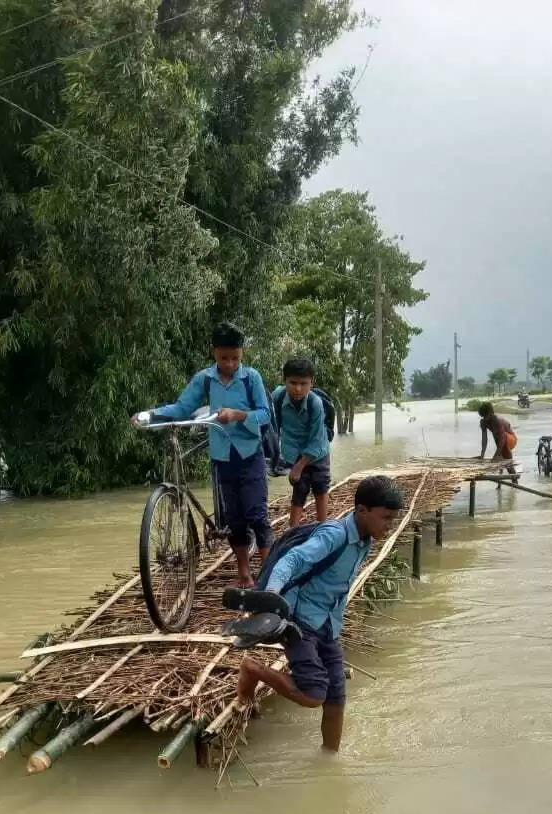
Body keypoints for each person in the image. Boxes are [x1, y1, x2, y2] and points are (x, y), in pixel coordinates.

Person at [235, 475, 404, 751]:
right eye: (386, 518)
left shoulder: (365, 541)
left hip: (329, 624)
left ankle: (330, 760)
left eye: (392, 519)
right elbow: (293, 559)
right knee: (314, 695)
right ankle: (252, 669)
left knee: (336, 699)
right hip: (299, 622)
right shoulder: (334, 535)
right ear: (362, 511)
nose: (390, 525)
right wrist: (273, 595)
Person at [145, 321, 274, 587]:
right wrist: (152, 415)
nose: (229, 364)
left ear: (242, 354)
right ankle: (244, 575)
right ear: (214, 353)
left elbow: (265, 414)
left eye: (235, 358)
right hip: (222, 457)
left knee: (257, 515)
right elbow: (182, 408)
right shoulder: (205, 379)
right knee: (235, 520)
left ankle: (272, 577)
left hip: (250, 454)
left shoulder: (252, 378)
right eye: (224, 357)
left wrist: (238, 415)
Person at [273, 357, 331, 527]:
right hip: (294, 450)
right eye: (293, 383)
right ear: (284, 381)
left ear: (311, 383)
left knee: (321, 488)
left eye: (303, 383)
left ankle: (322, 528)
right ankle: (293, 531)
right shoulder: (277, 397)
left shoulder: (316, 404)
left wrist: (298, 467)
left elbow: (316, 440)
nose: (298, 388)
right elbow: (272, 428)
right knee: (299, 491)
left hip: (318, 451)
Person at [477, 401, 518, 473]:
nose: (485, 418)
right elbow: (484, 440)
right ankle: (500, 468)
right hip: (499, 439)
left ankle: (512, 474)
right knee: (497, 437)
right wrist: (482, 455)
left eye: (486, 416)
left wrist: (496, 456)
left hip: (510, 439)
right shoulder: (483, 422)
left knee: (506, 460)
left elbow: (502, 439)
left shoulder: (497, 420)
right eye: (483, 416)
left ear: (490, 413)